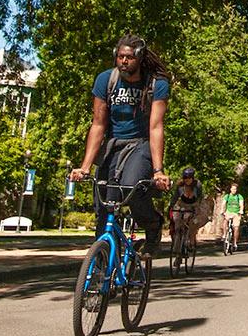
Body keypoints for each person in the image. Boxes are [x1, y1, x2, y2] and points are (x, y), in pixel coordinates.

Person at [70, 35, 171, 258]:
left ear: (140, 58)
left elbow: (156, 127)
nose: (124, 61)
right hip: (113, 146)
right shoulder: (106, 80)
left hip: (141, 145)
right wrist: (84, 167)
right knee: (104, 203)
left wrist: (158, 170)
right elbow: (98, 124)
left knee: (130, 187)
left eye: (129, 57)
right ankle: (102, 268)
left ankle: (152, 224)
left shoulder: (156, 84)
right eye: (120, 56)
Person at [168, 167, 204, 250]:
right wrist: (171, 206)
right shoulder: (180, 186)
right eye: (185, 178)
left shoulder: (197, 185)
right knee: (177, 223)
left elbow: (200, 198)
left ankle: (191, 240)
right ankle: (177, 248)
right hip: (183, 204)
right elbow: (175, 197)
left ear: (192, 178)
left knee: (193, 223)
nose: (187, 180)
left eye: (189, 178)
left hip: (194, 204)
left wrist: (197, 208)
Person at [220, 182, 244, 254]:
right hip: (228, 212)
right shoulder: (227, 196)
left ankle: (235, 242)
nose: (234, 190)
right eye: (233, 189)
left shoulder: (239, 196)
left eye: (235, 189)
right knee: (225, 220)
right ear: (230, 189)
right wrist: (222, 211)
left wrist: (241, 211)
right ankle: (224, 235)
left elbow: (241, 204)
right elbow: (223, 204)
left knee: (236, 228)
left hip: (236, 213)